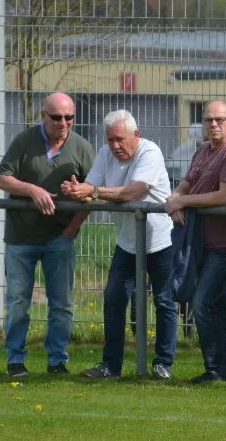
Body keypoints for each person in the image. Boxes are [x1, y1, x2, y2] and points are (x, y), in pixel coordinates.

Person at [61, 109, 176, 380]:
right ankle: (110, 366)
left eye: (120, 139)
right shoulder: (105, 154)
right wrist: (76, 191)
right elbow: (91, 189)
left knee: (164, 301)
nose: (114, 146)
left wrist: (92, 191)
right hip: (127, 242)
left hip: (160, 241)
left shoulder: (150, 152)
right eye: (110, 140)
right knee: (113, 299)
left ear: (136, 135)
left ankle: (163, 364)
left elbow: (132, 192)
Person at [0, 92, 95, 378]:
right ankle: (15, 360)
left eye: (69, 117)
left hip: (59, 238)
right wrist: (32, 190)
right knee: (18, 302)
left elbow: (93, 193)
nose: (63, 123)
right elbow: (2, 178)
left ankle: (57, 361)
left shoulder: (82, 148)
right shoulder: (24, 141)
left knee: (61, 304)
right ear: (43, 116)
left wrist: (71, 229)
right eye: (56, 117)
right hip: (21, 237)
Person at [164, 100, 226, 384]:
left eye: (219, 119)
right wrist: (174, 200)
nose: (213, 124)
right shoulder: (202, 150)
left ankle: (215, 369)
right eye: (208, 120)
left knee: (201, 302)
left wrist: (183, 201)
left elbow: (223, 197)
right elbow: (185, 184)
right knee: (217, 305)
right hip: (202, 241)